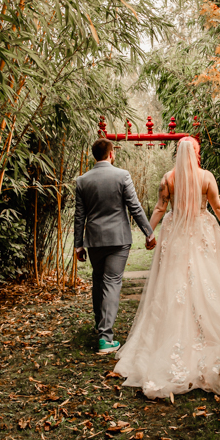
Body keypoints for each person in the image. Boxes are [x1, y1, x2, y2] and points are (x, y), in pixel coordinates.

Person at [114, 137, 220, 398]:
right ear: (195, 152)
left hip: (176, 235)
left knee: (175, 284)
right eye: (197, 150)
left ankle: (175, 336)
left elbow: (160, 208)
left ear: (177, 153)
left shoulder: (168, 178)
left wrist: (149, 234)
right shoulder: (206, 177)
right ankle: (207, 330)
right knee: (208, 281)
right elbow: (218, 208)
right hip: (201, 232)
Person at [74, 139, 156, 355]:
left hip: (94, 240)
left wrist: (78, 245)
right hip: (118, 240)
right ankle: (105, 338)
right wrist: (149, 232)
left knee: (98, 281)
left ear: (94, 156)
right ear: (111, 154)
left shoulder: (82, 180)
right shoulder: (122, 176)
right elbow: (135, 208)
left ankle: (100, 326)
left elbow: (79, 216)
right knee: (111, 282)